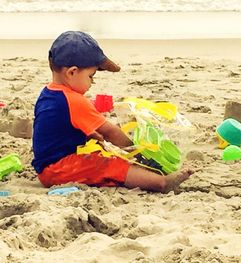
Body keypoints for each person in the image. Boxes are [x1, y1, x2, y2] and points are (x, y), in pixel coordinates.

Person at [31, 31, 194, 193]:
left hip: (48, 166)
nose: (92, 82)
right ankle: (161, 182)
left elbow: (56, 129)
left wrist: (90, 135)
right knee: (108, 164)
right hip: (58, 169)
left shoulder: (48, 92)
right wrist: (137, 151)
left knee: (101, 153)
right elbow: (110, 133)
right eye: (91, 76)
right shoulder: (74, 100)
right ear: (72, 72)